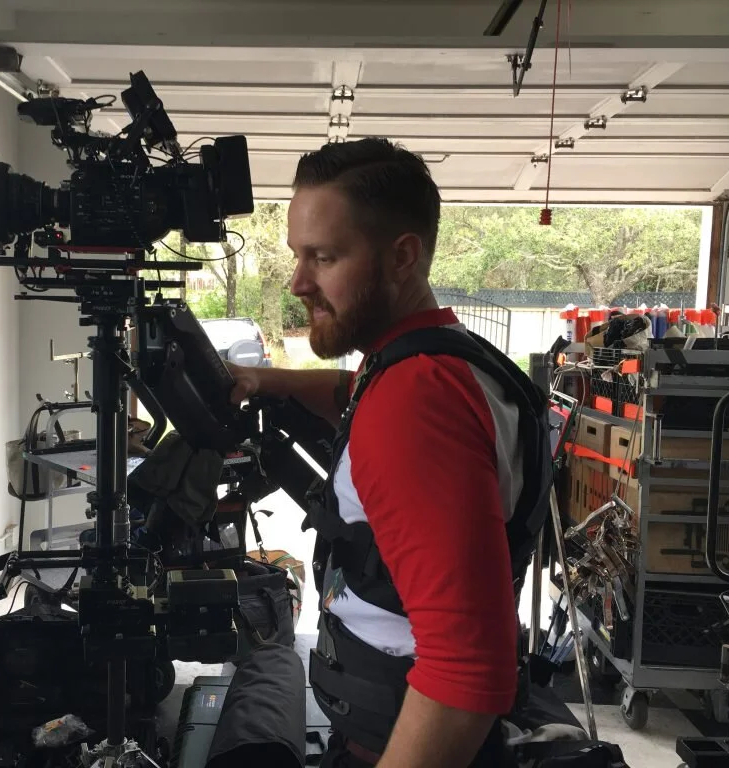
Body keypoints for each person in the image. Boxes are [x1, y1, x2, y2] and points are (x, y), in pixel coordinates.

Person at [227, 138, 524, 767]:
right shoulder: (436, 354)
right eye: (297, 256)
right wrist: (268, 380)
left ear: (402, 258)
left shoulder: (415, 402)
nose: (298, 282)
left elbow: (466, 669)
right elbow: (354, 394)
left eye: (323, 257)